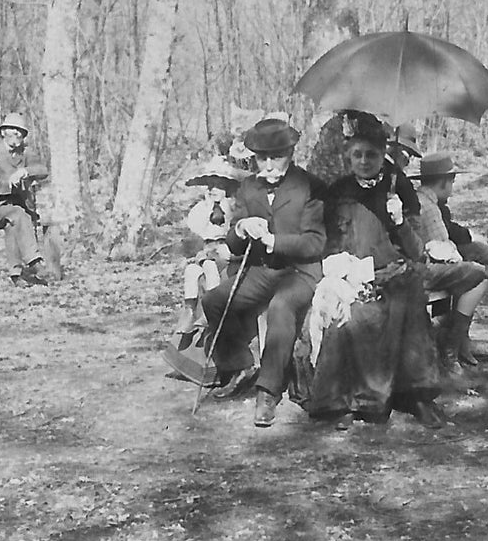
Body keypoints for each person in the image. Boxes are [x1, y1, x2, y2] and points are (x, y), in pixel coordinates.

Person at [294, 121, 447, 430]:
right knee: (351, 318)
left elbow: (417, 250)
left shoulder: (400, 187)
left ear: (383, 155)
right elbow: (329, 244)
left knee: (409, 307)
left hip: (394, 274)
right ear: (349, 157)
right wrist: (345, 270)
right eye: (358, 155)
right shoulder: (339, 192)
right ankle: (345, 402)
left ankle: (417, 395)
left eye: (372, 155)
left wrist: (399, 220)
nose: (364, 161)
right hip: (352, 277)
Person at [199, 116, 328, 428]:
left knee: (281, 307)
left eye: (276, 157)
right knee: (214, 300)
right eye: (262, 158)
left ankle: (268, 392)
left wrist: (273, 240)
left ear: (291, 154)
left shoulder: (310, 186)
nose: (268, 166)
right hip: (261, 270)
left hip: (300, 271)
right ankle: (239, 365)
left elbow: (315, 242)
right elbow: (232, 240)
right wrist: (242, 228)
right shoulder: (248, 187)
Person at [412, 152, 488, 373]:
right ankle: (452, 347)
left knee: (475, 259)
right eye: (452, 182)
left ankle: (461, 341)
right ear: (443, 182)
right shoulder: (429, 207)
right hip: (423, 269)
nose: (452, 188)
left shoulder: (423, 199)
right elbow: (443, 250)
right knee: (479, 275)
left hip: (419, 263)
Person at [0, 111, 59, 286]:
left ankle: (16, 275)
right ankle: (34, 261)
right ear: (3, 132)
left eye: (21, 131)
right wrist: (11, 183)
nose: (17, 134)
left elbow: (43, 170)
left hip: (14, 210)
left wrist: (25, 171)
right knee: (17, 214)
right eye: (13, 129)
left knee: (15, 219)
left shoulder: (25, 152)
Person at [175, 156, 247, 331]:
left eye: (219, 186)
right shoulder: (201, 208)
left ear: (227, 189)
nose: (213, 189)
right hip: (206, 248)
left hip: (224, 249)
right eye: (210, 186)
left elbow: (235, 229)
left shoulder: (232, 207)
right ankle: (190, 312)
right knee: (192, 271)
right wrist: (208, 208)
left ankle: (211, 309)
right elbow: (196, 230)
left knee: (209, 267)